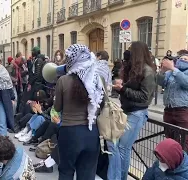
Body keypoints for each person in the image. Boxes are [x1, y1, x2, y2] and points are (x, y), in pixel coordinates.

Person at [54, 44, 103, 180]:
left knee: (66, 171)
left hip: (69, 133)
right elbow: (102, 104)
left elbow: (57, 108)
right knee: (87, 174)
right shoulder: (96, 80)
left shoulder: (63, 80)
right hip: (92, 132)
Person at [109, 41, 156, 180]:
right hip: (127, 110)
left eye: (131, 50)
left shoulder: (147, 71)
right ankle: (116, 175)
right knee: (117, 146)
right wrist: (121, 85)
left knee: (123, 148)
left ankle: (121, 177)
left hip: (137, 112)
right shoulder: (132, 69)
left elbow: (144, 97)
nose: (128, 52)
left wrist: (123, 89)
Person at [157, 54, 188, 149]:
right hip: (169, 110)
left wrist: (174, 69)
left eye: (185, 59)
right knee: (170, 138)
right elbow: (160, 82)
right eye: (181, 58)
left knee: (185, 139)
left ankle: (184, 160)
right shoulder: (170, 72)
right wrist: (162, 71)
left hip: (182, 110)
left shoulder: (178, 71)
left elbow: (186, 83)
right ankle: (173, 157)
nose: (182, 60)